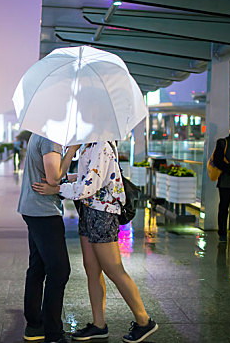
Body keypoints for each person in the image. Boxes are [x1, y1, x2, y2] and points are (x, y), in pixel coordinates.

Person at [33, 141, 158, 343]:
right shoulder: (87, 147)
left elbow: (88, 186)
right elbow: (86, 178)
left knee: (114, 269)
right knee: (92, 269)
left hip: (104, 214)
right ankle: (99, 325)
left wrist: (56, 189)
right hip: (88, 212)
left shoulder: (103, 147)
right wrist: (65, 178)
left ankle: (144, 321)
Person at [18, 133, 79, 343]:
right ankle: (53, 332)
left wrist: (72, 177)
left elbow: (52, 174)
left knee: (38, 267)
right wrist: (72, 150)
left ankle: (34, 325)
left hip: (32, 207)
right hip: (43, 211)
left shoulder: (39, 132)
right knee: (59, 270)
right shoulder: (50, 136)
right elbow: (53, 177)